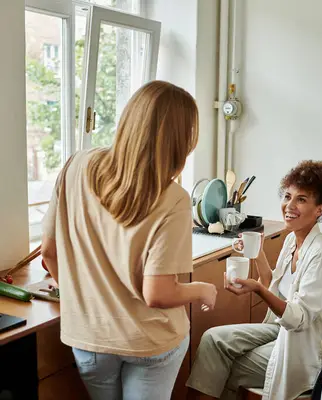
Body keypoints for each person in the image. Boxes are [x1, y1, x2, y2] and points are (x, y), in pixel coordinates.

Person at [40, 80, 218, 400]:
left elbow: (49, 252)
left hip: (89, 337)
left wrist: (81, 297)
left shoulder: (75, 166)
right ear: (182, 142)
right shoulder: (173, 197)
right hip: (149, 341)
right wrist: (204, 289)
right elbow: (158, 293)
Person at [186, 160, 322, 400]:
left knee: (228, 364)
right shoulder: (293, 240)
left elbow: (299, 319)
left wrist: (259, 290)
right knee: (212, 340)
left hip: (306, 346)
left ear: (319, 210)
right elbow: (273, 282)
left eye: (301, 199)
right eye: (287, 196)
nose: (289, 206)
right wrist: (257, 253)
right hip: (279, 329)